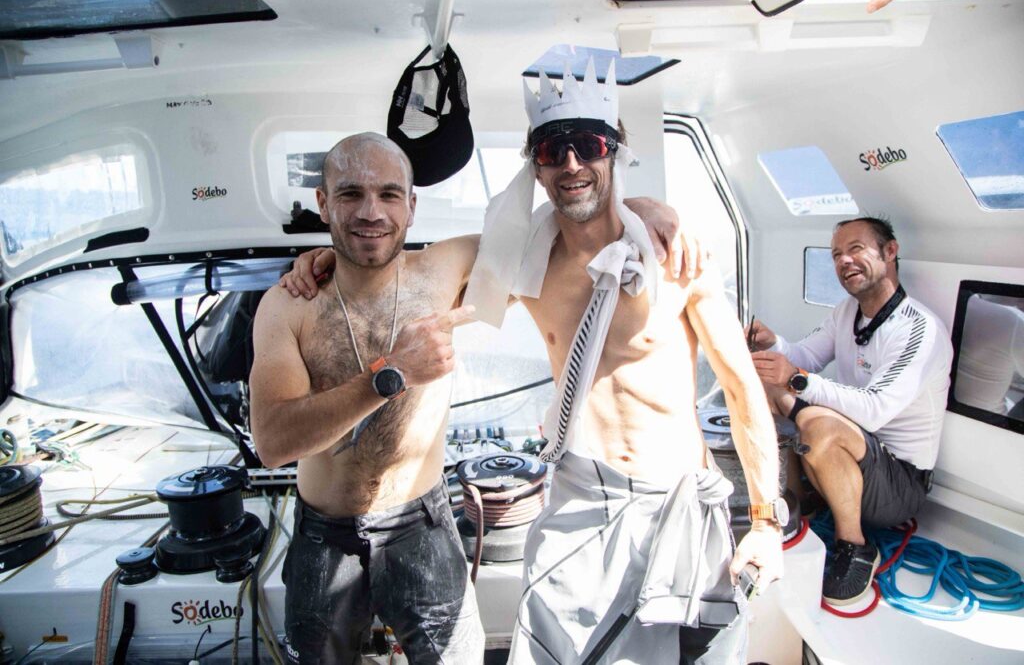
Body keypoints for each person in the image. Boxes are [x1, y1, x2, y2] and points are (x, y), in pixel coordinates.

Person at [283, 62, 783, 663]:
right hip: (581, 498)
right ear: (536, 167)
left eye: (589, 145)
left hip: (677, 496)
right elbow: (405, 277)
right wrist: (325, 259)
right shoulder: (526, 264)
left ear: (615, 153)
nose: (571, 163)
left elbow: (741, 389)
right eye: (552, 149)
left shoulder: (675, 259)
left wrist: (765, 521)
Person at [250, 133, 485, 663]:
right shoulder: (289, 306)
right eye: (351, 193)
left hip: (421, 523)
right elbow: (273, 442)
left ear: (412, 205)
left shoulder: (444, 270)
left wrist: (640, 210)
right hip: (324, 533)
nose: (371, 212)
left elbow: (552, 239)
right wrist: (391, 372)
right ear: (323, 203)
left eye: (389, 194)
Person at [747, 216, 953, 606]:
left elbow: (874, 411)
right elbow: (805, 356)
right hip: (858, 453)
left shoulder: (919, 329)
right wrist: (774, 344)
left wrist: (799, 381)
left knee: (819, 424)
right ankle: (799, 501)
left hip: (899, 484)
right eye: (836, 254)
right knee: (764, 381)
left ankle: (854, 547)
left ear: (889, 252)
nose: (844, 261)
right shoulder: (847, 312)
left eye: (856, 249)